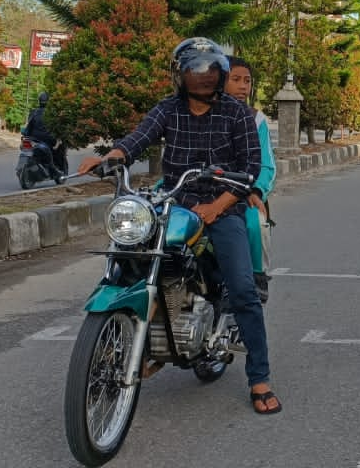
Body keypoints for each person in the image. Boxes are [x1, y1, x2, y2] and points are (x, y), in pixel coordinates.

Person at [77, 37, 280, 416]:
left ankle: (260, 377)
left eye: (211, 71)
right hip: (173, 201)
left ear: (220, 76)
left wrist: (216, 206)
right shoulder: (168, 109)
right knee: (129, 258)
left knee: (243, 289)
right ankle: (126, 343)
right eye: (195, 71)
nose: (203, 78)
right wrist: (112, 157)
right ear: (180, 75)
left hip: (223, 206)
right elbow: (138, 138)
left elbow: (251, 168)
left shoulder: (236, 115)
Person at [222, 56, 278, 303]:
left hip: (242, 192)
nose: (243, 86)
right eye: (235, 80)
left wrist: (256, 191)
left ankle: (257, 278)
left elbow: (267, 165)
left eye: (247, 81)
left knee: (255, 222)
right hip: (201, 191)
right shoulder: (200, 114)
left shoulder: (256, 119)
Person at [22, 92, 67, 175]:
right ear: (48, 101)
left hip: (34, 139)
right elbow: (56, 126)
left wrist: (25, 134)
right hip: (48, 139)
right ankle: (55, 168)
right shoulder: (52, 113)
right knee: (59, 147)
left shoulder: (33, 112)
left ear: (39, 101)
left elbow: (29, 125)